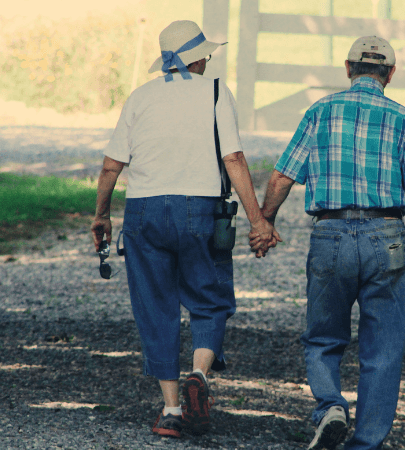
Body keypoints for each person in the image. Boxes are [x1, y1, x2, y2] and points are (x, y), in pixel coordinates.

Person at [255, 36, 405, 450]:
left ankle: (329, 407)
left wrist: (264, 222)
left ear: (347, 68)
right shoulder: (404, 119)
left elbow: (282, 176)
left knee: (323, 336)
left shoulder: (319, 112)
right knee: (384, 348)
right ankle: (365, 444)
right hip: (387, 237)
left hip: (331, 233)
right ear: (390, 74)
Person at [90, 20, 275, 439]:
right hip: (200, 208)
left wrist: (101, 215)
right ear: (196, 57)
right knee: (209, 299)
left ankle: (172, 409)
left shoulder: (140, 97)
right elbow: (234, 159)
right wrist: (257, 220)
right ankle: (200, 375)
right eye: (206, 53)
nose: (208, 59)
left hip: (144, 212)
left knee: (156, 308)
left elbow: (110, 165)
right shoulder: (214, 92)